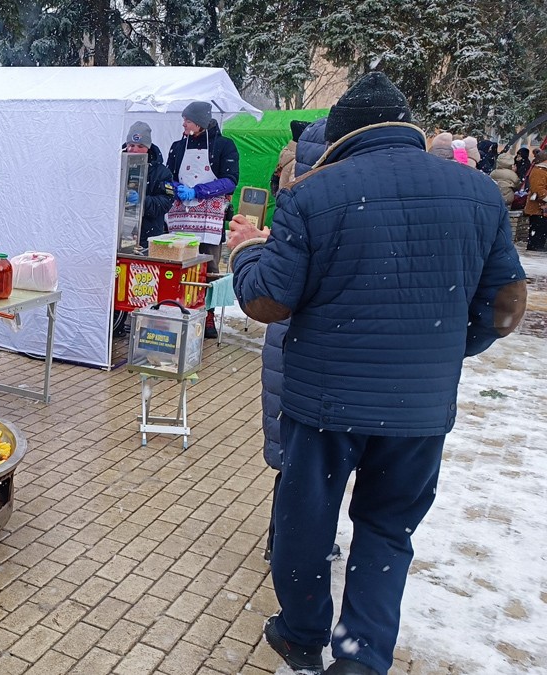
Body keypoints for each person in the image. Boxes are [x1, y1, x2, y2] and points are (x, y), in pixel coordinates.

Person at [228, 72, 526, 675]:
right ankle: (361, 658)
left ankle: (302, 633)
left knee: (305, 523)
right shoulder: (477, 194)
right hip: (419, 409)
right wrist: (437, 352)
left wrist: (247, 251)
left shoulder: (313, 194)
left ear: (341, 136)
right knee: (387, 528)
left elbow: (268, 302)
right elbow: (506, 306)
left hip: (324, 403)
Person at [261, 117, 326, 564]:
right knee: (308, 459)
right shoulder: (319, 201)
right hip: (311, 343)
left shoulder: (294, 194)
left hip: (286, 339)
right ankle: (289, 543)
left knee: (291, 453)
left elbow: (270, 290)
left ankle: (280, 539)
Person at [165, 100, 240, 338]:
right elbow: (168, 176)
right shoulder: (178, 146)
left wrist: (199, 191)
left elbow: (230, 180)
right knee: (179, 263)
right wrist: (176, 188)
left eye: (187, 120)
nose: (183, 123)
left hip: (210, 219)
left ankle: (208, 316)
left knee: (208, 267)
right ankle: (176, 308)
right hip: (182, 217)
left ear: (199, 122)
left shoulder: (224, 146)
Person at [122, 121, 174, 243]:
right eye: (131, 145)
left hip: (148, 235)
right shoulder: (117, 167)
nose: (135, 150)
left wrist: (142, 201)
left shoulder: (162, 172)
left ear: (148, 147)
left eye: (140, 146)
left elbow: (167, 201)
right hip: (120, 231)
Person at [525, 149, 547, 252]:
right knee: (538, 231)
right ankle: (535, 248)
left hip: (541, 208)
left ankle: (537, 246)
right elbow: (538, 189)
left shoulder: (542, 171)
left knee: (540, 231)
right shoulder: (539, 171)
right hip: (538, 208)